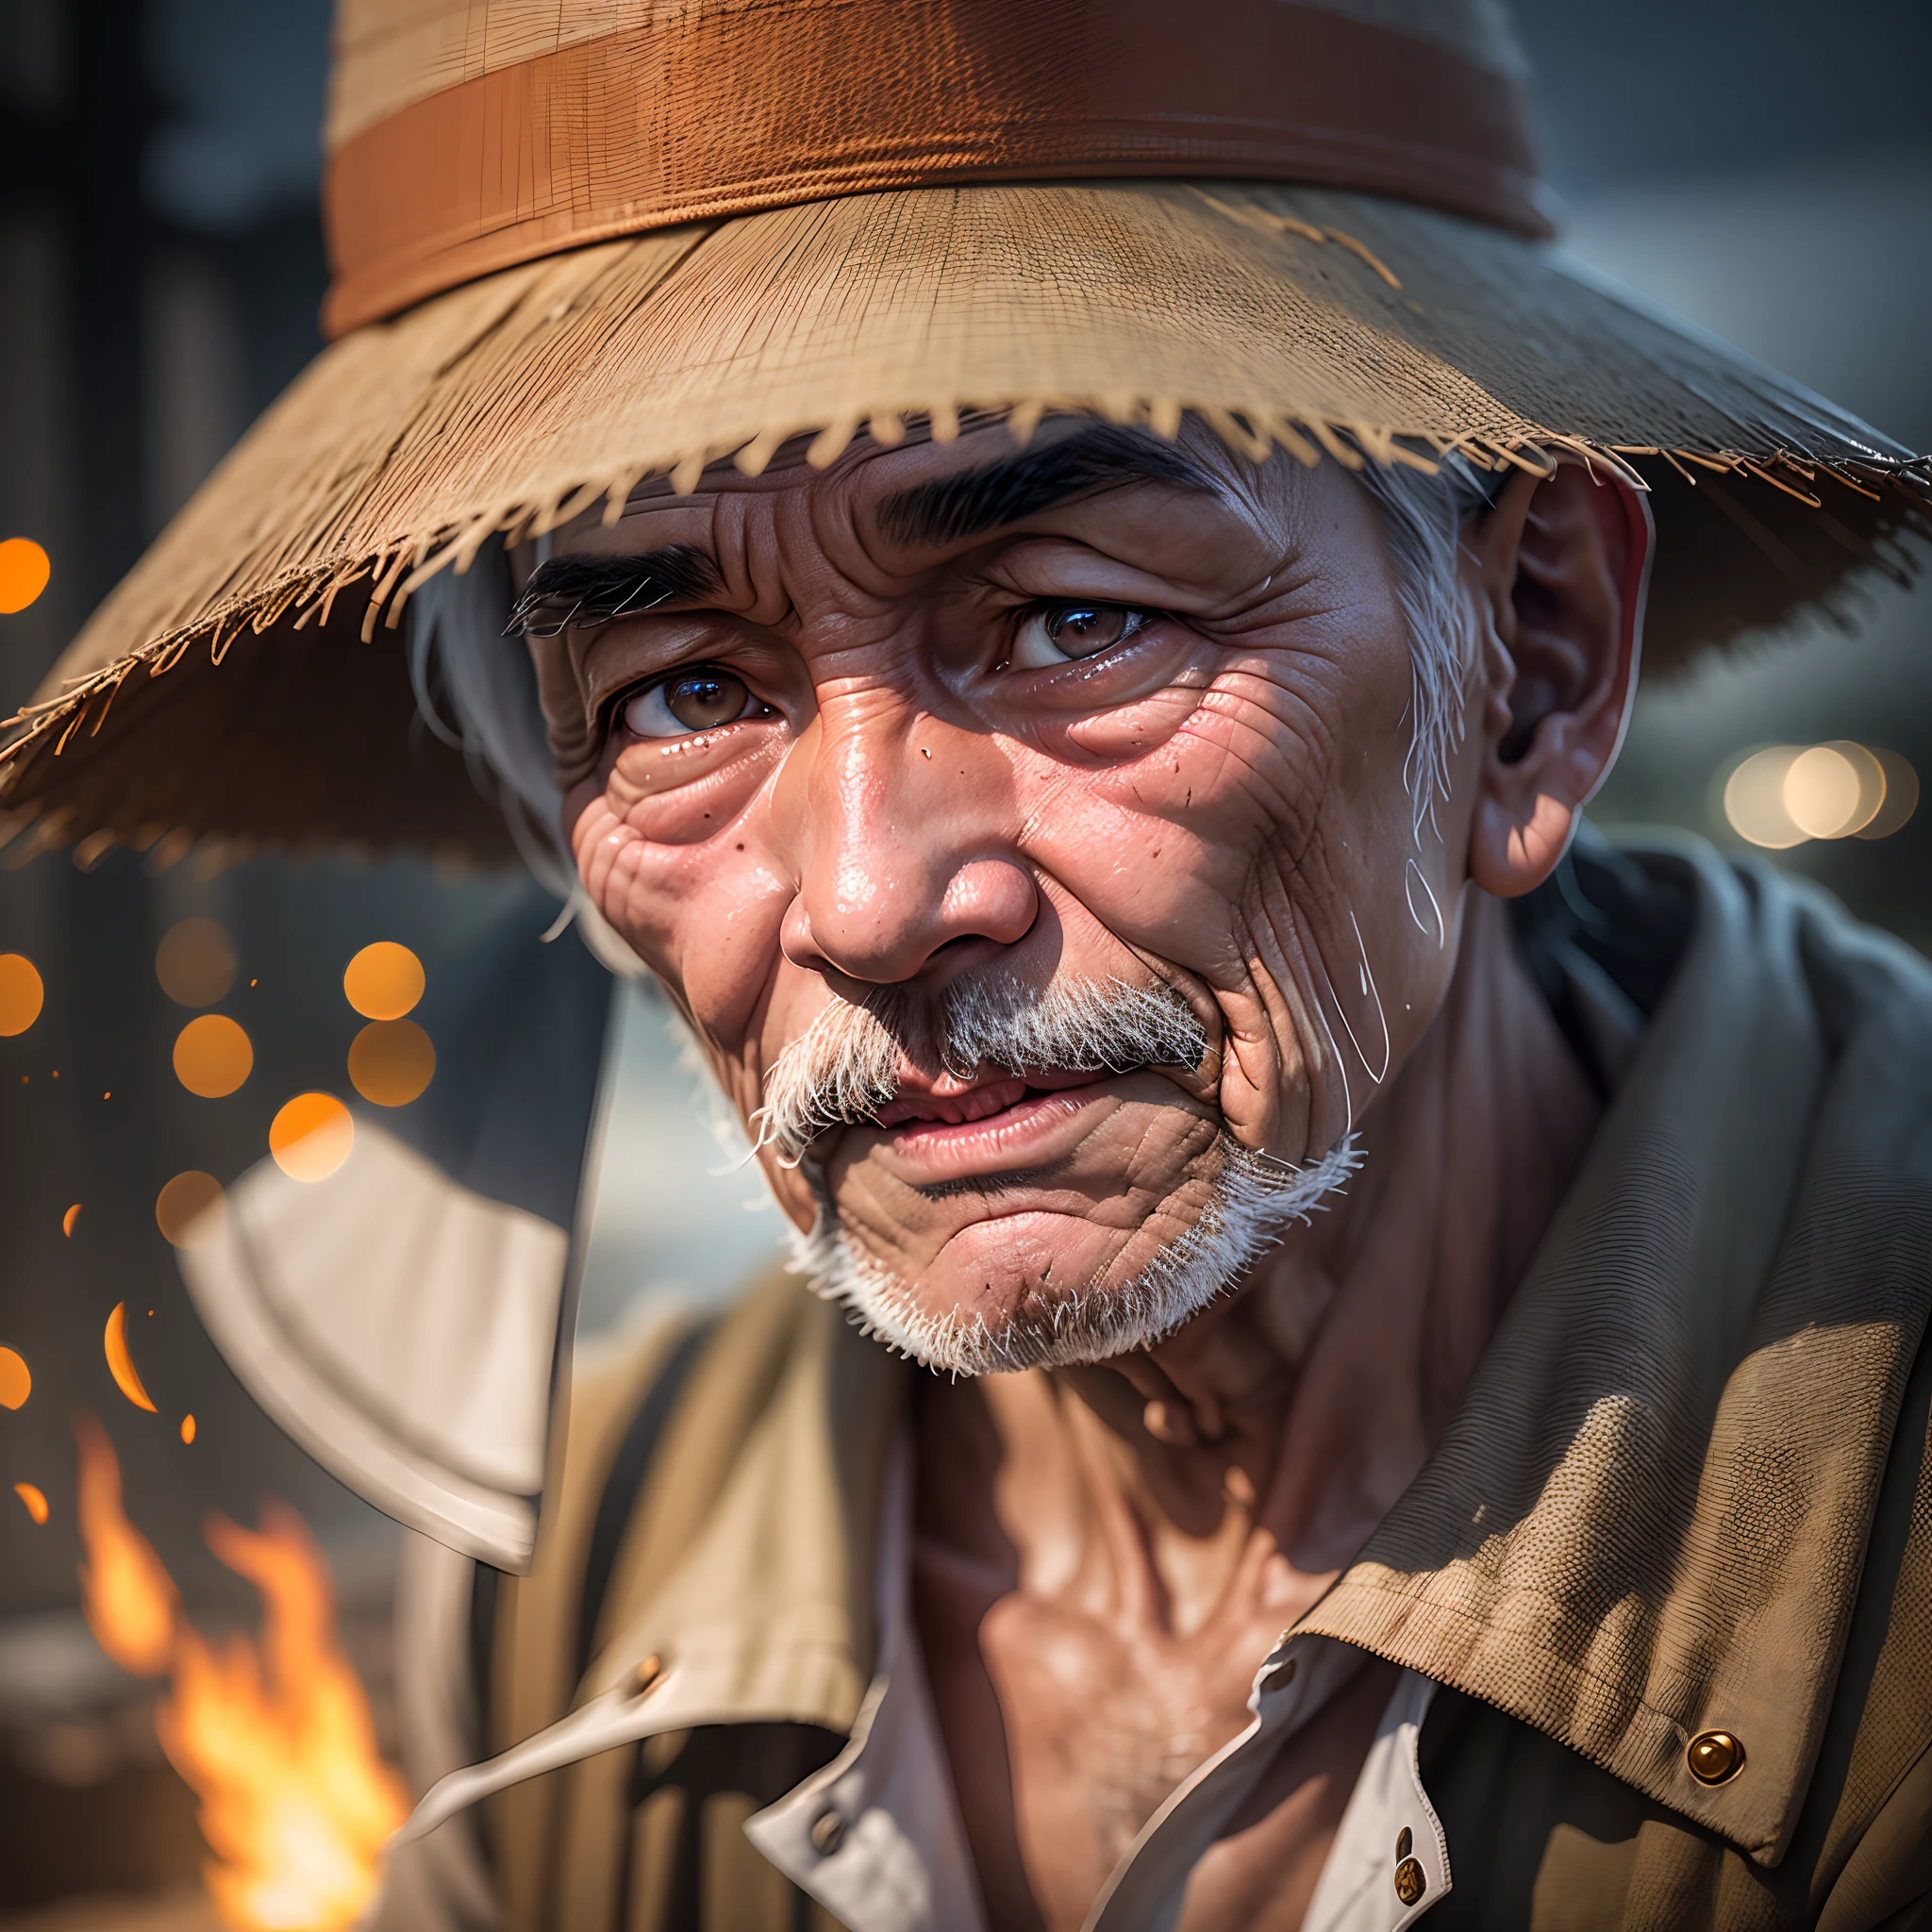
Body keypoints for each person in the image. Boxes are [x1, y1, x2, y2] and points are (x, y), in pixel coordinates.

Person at [6, 4, 1930, 1928]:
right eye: (684, 692)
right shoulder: (584, 1560)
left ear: (1532, 653)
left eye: (1072, 620)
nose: (864, 898)